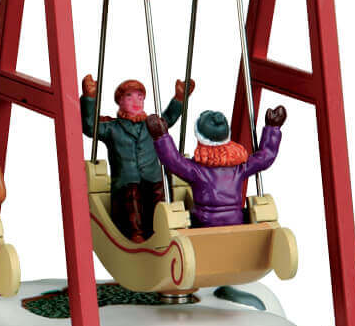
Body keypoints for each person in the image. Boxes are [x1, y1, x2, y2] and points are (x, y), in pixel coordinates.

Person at [81, 74, 191, 242]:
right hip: (126, 183)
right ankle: (136, 234)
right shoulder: (112, 128)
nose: (136, 101)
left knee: (160, 195)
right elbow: (90, 127)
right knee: (131, 197)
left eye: (140, 97)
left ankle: (162, 230)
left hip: (152, 178)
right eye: (129, 96)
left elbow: (168, 118)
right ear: (120, 101)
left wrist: (179, 98)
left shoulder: (151, 125)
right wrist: (89, 98)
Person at [147, 107, 286, 227]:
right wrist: (273, 128)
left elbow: (173, 161)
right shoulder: (239, 168)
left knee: (186, 218)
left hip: (204, 224)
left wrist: (161, 137)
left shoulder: (197, 170)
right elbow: (265, 157)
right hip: (235, 221)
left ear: (200, 138)